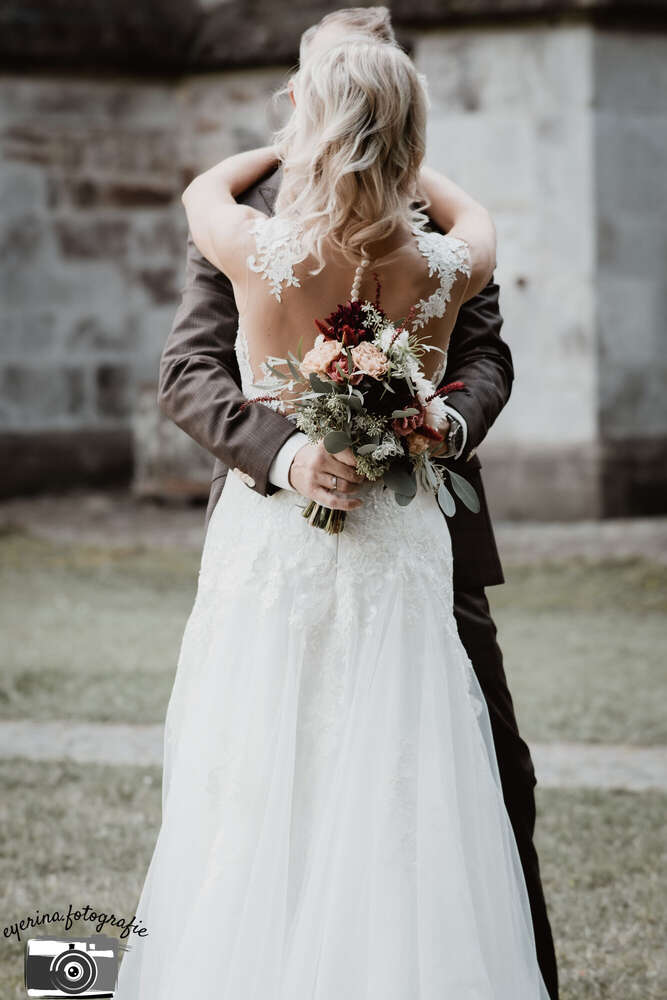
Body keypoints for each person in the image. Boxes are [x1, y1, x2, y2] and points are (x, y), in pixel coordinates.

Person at [116, 12, 557, 1000]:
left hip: (420, 541)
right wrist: (289, 454)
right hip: (301, 525)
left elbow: (487, 358)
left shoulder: (240, 221)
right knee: (263, 787)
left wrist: (448, 420)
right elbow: (187, 374)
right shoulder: (445, 239)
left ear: (310, 101)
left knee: (484, 789)